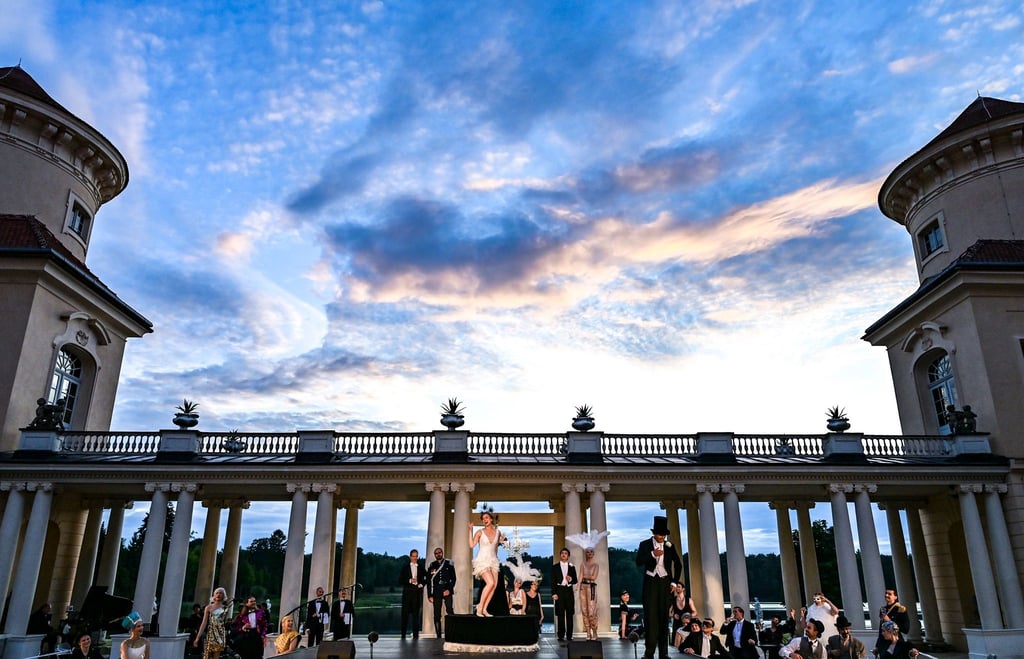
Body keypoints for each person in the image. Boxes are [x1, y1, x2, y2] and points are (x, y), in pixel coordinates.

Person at [635, 515, 682, 659]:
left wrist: (674, 582)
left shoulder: (669, 546)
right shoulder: (645, 544)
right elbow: (638, 561)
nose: (662, 537)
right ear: (654, 533)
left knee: (663, 619)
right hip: (650, 583)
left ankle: (664, 653)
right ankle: (648, 653)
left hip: (665, 583)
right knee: (650, 618)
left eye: (664, 535)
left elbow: (678, 564)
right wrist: (652, 554)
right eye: (659, 534)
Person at [469, 511, 505, 617]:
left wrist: (496, 559)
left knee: (494, 585)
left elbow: (496, 548)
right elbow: (471, 545)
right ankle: (479, 607)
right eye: (483, 518)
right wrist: (470, 530)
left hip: (493, 560)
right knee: (490, 583)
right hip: (482, 560)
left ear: (491, 519)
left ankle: (484, 609)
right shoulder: (480, 532)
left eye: (486, 518)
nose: (485, 520)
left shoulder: (498, 532)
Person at [426, 546, 457, 637]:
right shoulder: (432, 565)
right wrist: (429, 595)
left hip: (447, 589)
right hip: (436, 591)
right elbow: (429, 581)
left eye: (439, 552)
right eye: (436, 553)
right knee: (437, 614)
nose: (438, 554)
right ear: (434, 555)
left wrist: (449, 590)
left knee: (450, 611)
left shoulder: (448, 564)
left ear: (442, 553)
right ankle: (438, 636)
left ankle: (451, 634)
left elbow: (453, 579)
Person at [194, 587, 229, 659]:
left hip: (220, 634)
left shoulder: (225, 608)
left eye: (221, 593)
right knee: (206, 656)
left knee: (216, 656)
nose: (218, 594)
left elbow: (223, 622)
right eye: (217, 593)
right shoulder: (209, 607)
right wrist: (197, 638)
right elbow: (204, 623)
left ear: (223, 595)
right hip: (210, 634)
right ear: (214, 595)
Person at [550, 547, 577, 642]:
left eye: (565, 553)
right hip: (559, 590)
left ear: (568, 556)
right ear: (560, 555)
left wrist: (571, 579)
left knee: (570, 614)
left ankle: (569, 635)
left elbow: (575, 580)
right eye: (562, 553)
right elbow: (552, 581)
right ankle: (561, 635)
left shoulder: (572, 567)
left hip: (569, 591)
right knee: (560, 614)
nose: (564, 554)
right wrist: (554, 593)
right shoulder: (555, 567)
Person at [399, 548, 426, 639]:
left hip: (417, 595)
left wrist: (421, 584)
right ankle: (403, 636)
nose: (415, 558)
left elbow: (427, 577)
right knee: (405, 616)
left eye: (416, 556)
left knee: (416, 617)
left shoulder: (421, 567)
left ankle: (416, 636)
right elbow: (400, 580)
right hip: (407, 595)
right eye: (413, 556)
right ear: (410, 557)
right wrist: (410, 580)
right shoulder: (405, 567)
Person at [875, 589, 910, 655]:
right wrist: (877, 645)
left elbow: (905, 629)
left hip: (895, 643)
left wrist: (890, 621)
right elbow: (881, 630)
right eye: (886, 593)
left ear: (895, 597)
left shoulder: (900, 609)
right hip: (883, 644)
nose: (886, 595)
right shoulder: (883, 609)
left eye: (889, 594)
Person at [579, 547, 601, 640]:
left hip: (591, 587)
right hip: (583, 587)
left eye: (591, 551)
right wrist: (577, 587)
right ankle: (588, 632)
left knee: (592, 612)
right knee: (584, 611)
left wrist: (584, 575)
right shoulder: (583, 564)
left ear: (593, 553)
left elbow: (593, 577)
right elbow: (580, 576)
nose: (589, 553)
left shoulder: (596, 565)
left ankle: (594, 631)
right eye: (588, 552)